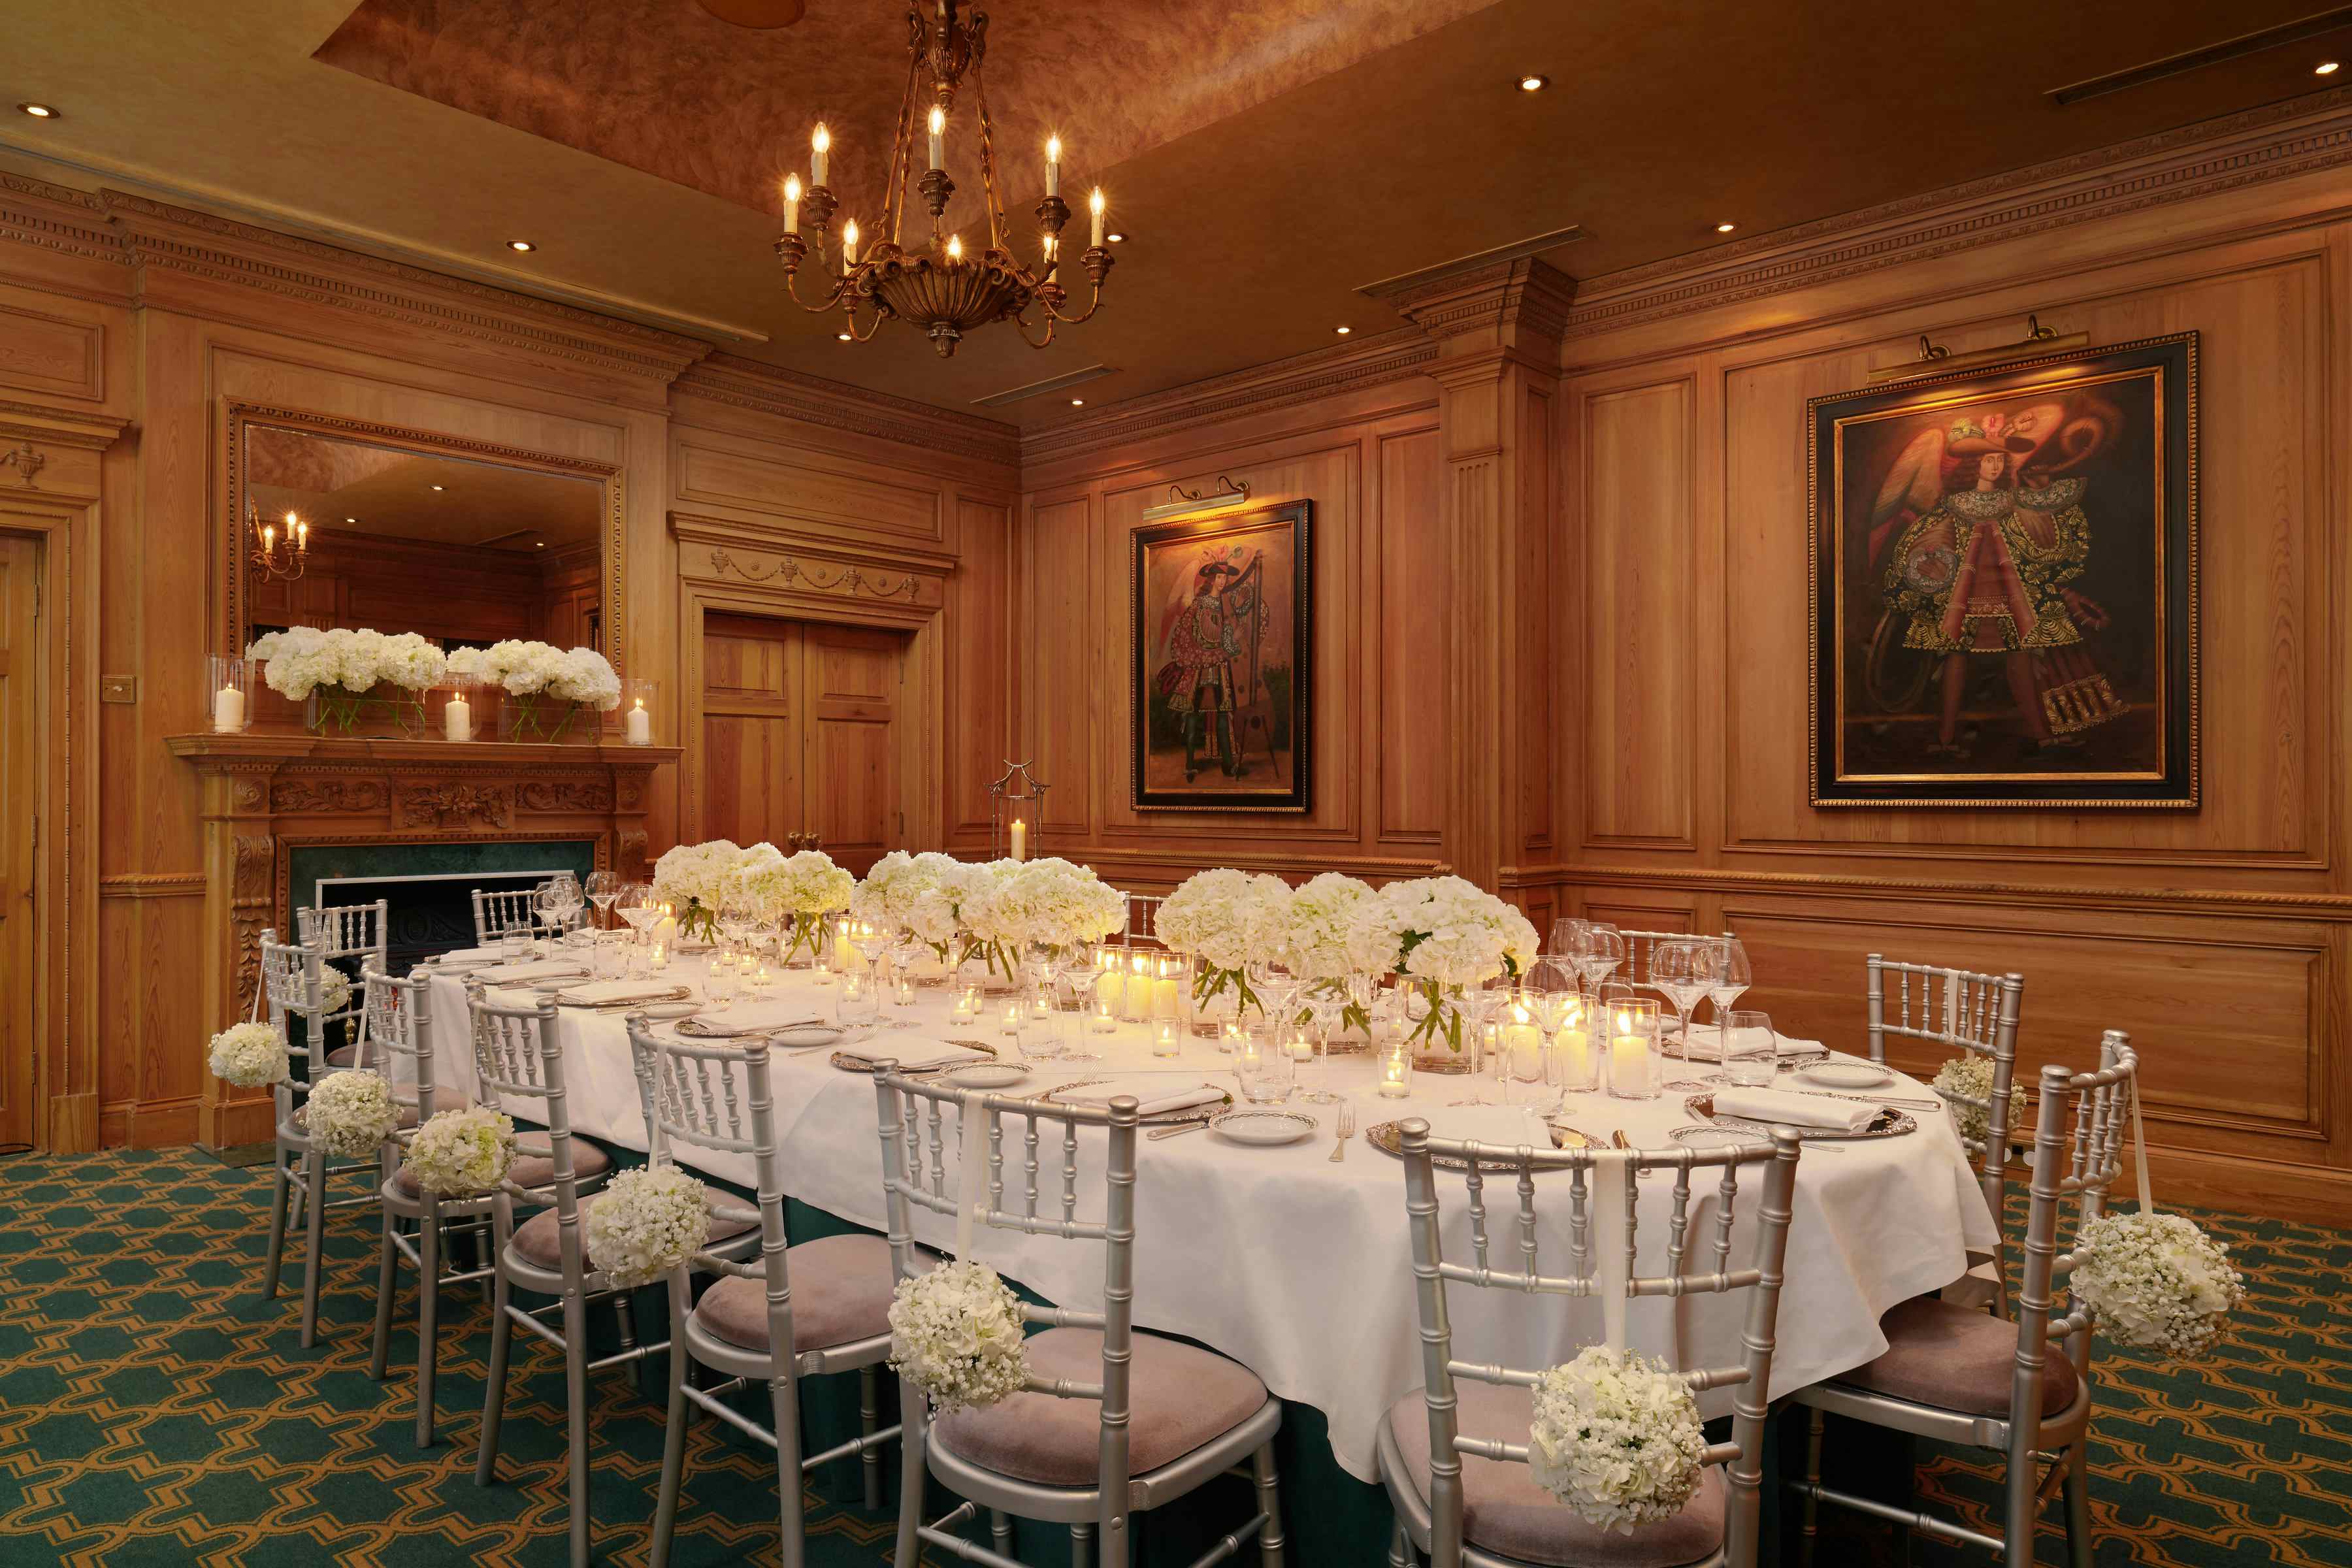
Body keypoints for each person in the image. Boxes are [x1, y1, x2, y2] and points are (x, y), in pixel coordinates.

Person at [1877, 412, 2119, 755]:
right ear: (1972, 466)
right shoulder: (1953, 504)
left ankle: (2043, 735)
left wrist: (2043, 492)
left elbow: (2033, 540)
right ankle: (1946, 741)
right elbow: (1934, 539)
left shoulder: (2012, 501)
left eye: (1996, 460)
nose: (1992, 466)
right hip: (1964, 592)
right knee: (1956, 658)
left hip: (2010, 593)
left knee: (2021, 656)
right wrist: (1933, 562)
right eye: (1985, 460)